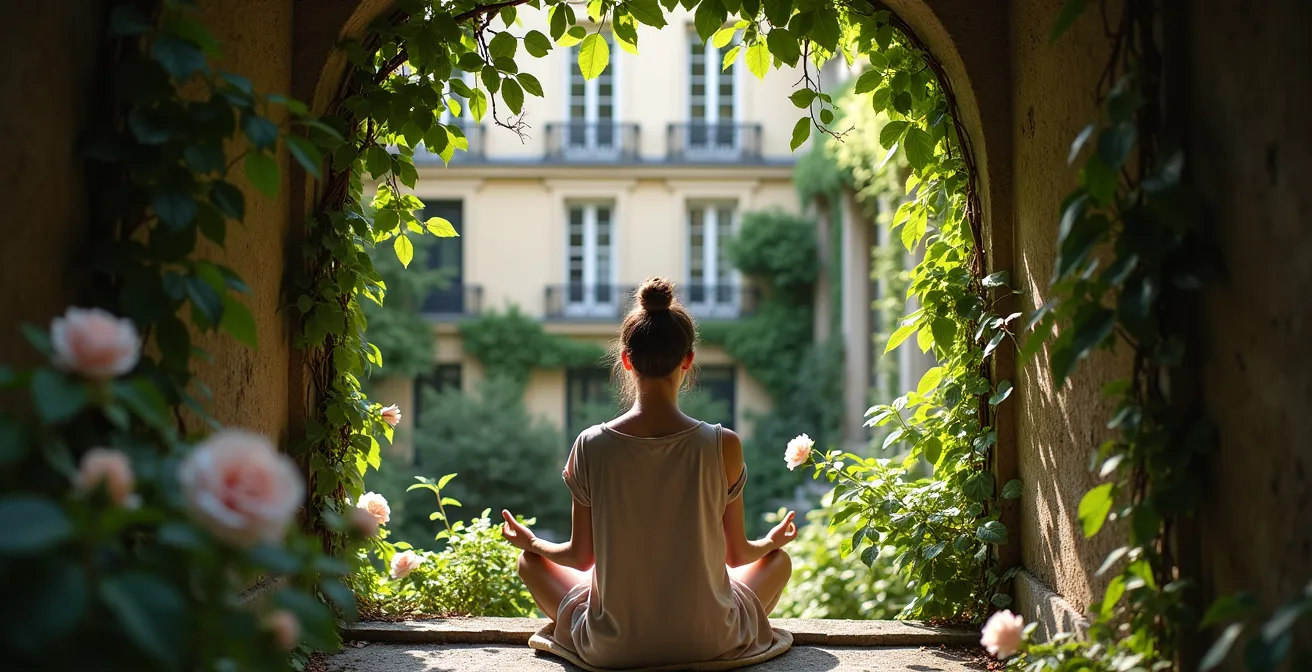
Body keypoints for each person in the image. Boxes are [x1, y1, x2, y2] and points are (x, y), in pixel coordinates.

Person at [500, 277, 798, 670]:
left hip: (615, 647)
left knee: (529, 563)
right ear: (687, 360)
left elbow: (581, 557)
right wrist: (771, 541)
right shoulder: (723, 444)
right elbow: (737, 554)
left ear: (626, 360)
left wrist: (532, 542)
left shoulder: (590, 444)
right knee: (778, 561)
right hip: (711, 639)